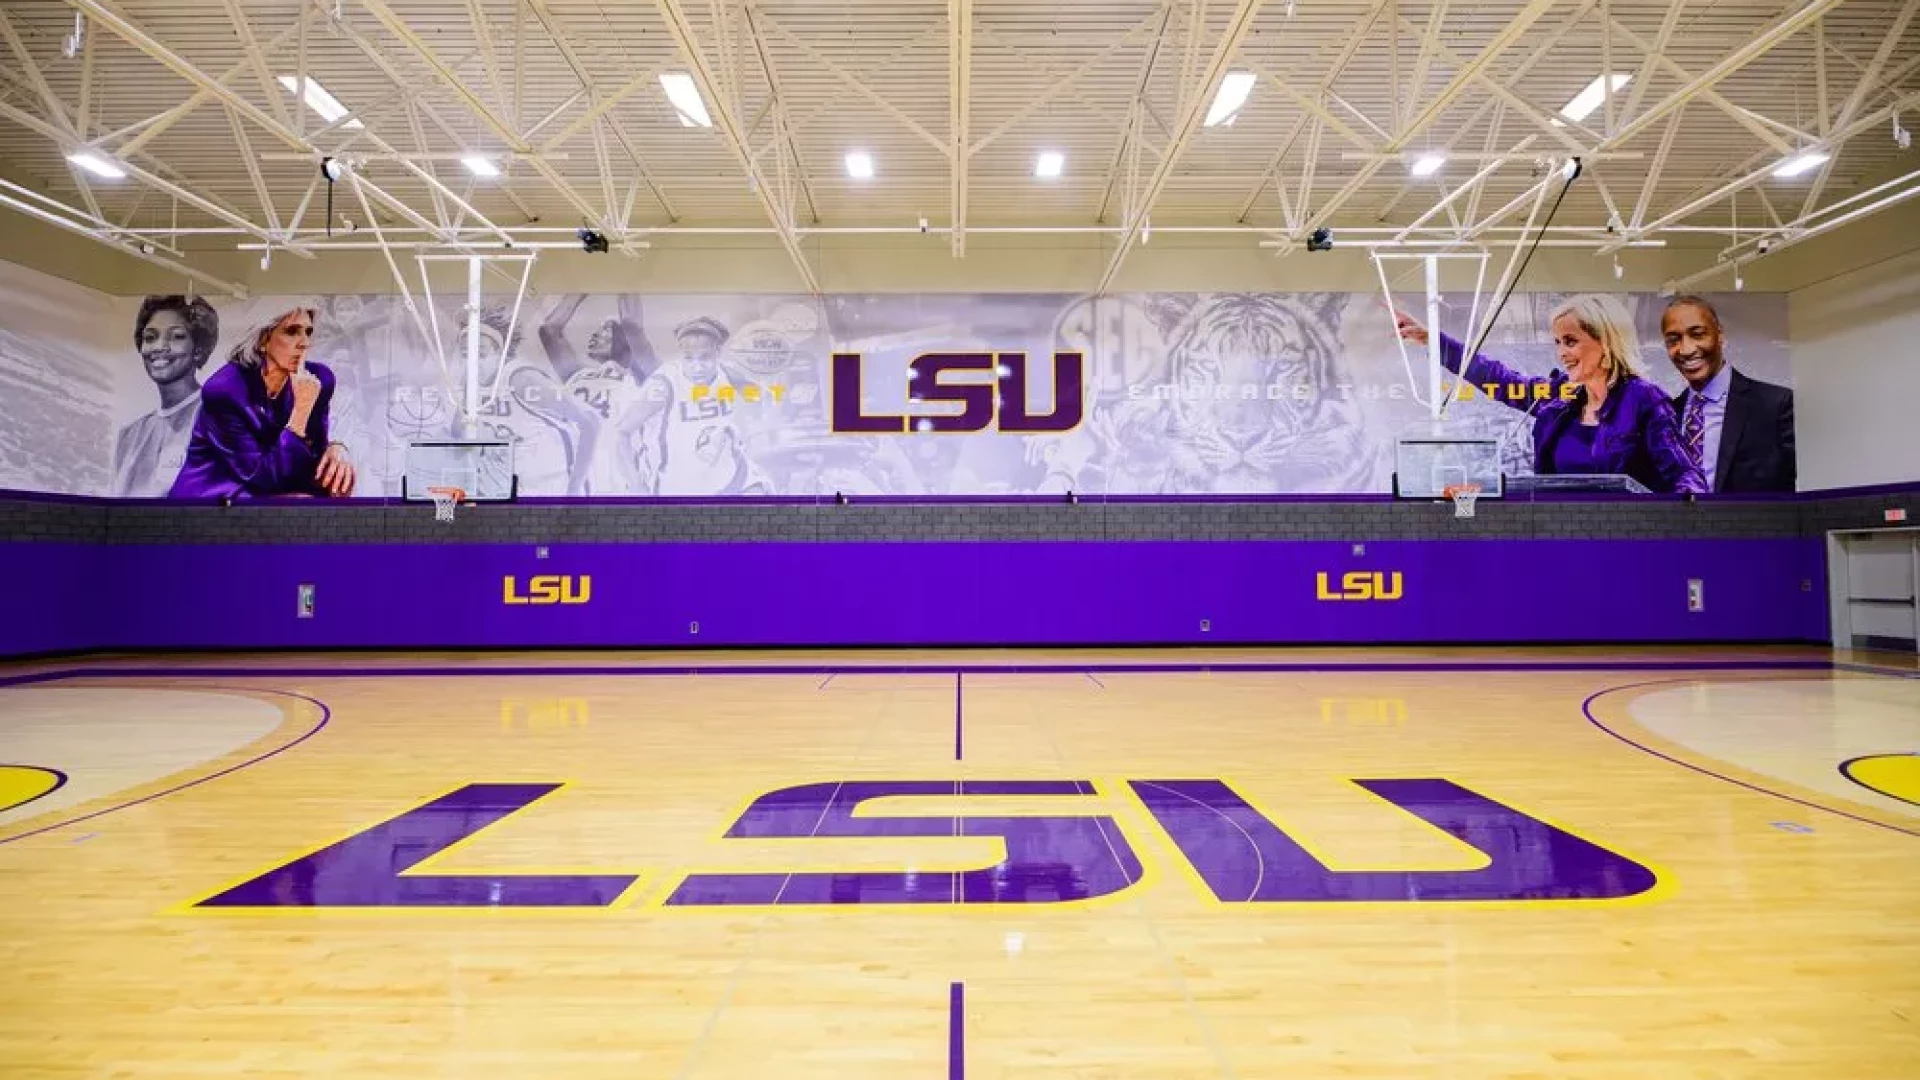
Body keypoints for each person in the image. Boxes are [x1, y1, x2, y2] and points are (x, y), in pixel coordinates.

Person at [1395, 294, 1705, 494]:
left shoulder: (1645, 400)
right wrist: (1432, 340)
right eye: (1557, 342)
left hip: (1624, 546)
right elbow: (1498, 378)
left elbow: (1685, 475)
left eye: (1570, 341)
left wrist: (1673, 529)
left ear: (1605, 342)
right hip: (1560, 540)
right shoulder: (1559, 398)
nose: (1561, 354)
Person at [168, 306, 356, 499]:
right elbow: (263, 476)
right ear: (262, 339)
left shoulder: (318, 380)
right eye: (292, 332)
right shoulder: (225, 390)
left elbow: (312, 456)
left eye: (308, 332)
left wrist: (336, 450)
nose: (305, 343)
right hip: (210, 498)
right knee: (299, 503)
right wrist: (300, 412)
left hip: (265, 492)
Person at [1661, 295, 1796, 493]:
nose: (1686, 349)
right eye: (1673, 340)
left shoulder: (1775, 406)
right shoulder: (1665, 416)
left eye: (1697, 334)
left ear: (1720, 334)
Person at [116, 295, 218, 496]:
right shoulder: (128, 436)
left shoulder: (218, 419)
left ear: (198, 349)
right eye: (150, 337)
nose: (160, 347)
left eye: (177, 336)